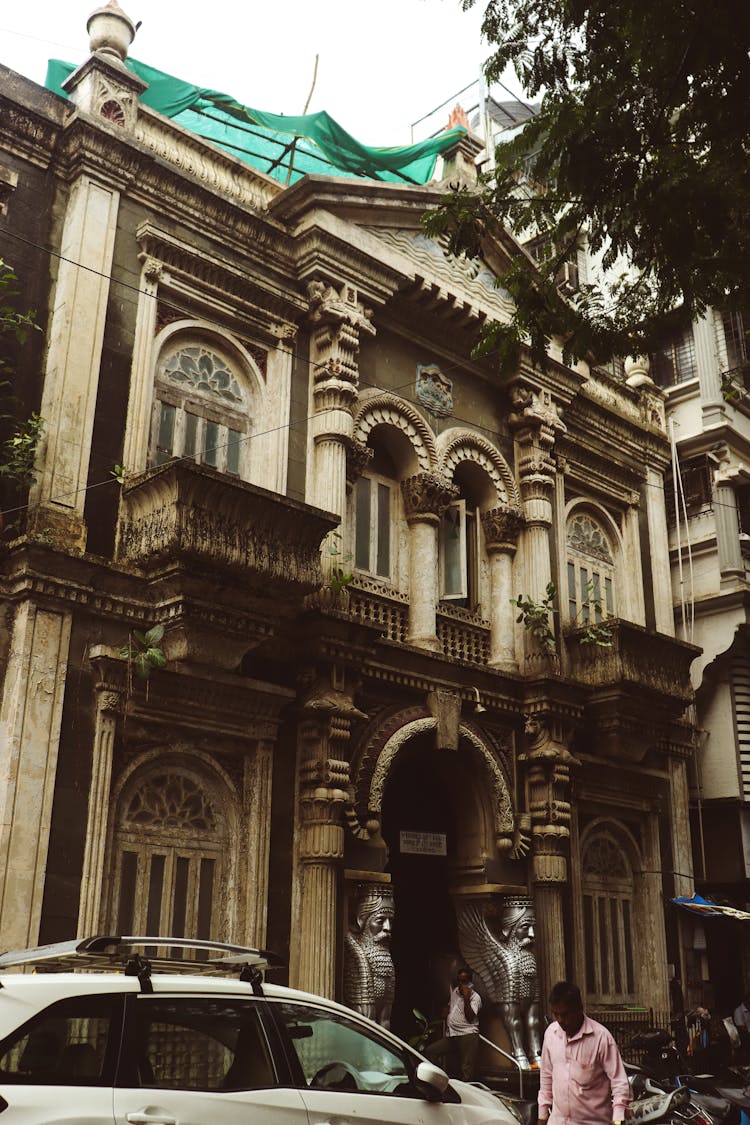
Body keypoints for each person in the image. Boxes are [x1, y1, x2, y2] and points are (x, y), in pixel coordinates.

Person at [538, 981, 630, 1125]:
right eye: (556, 1014)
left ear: (578, 1008)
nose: (560, 1020)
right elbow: (546, 1079)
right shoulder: (551, 1034)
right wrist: (542, 1117)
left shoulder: (601, 1038)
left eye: (565, 1014)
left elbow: (619, 1083)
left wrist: (618, 1120)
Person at [425, 966, 482, 1081]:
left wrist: (466, 999)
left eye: (464, 981)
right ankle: (439, 1079)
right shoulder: (455, 992)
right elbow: (451, 1006)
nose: (461, 984)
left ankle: (468, 1093)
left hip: (467, 1035)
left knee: (466, 1069)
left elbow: (470, 1018)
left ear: (470, 982)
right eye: (459, 981)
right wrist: (446, 1010)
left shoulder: (475, 997)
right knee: (431, 1051)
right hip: (452, 1035)